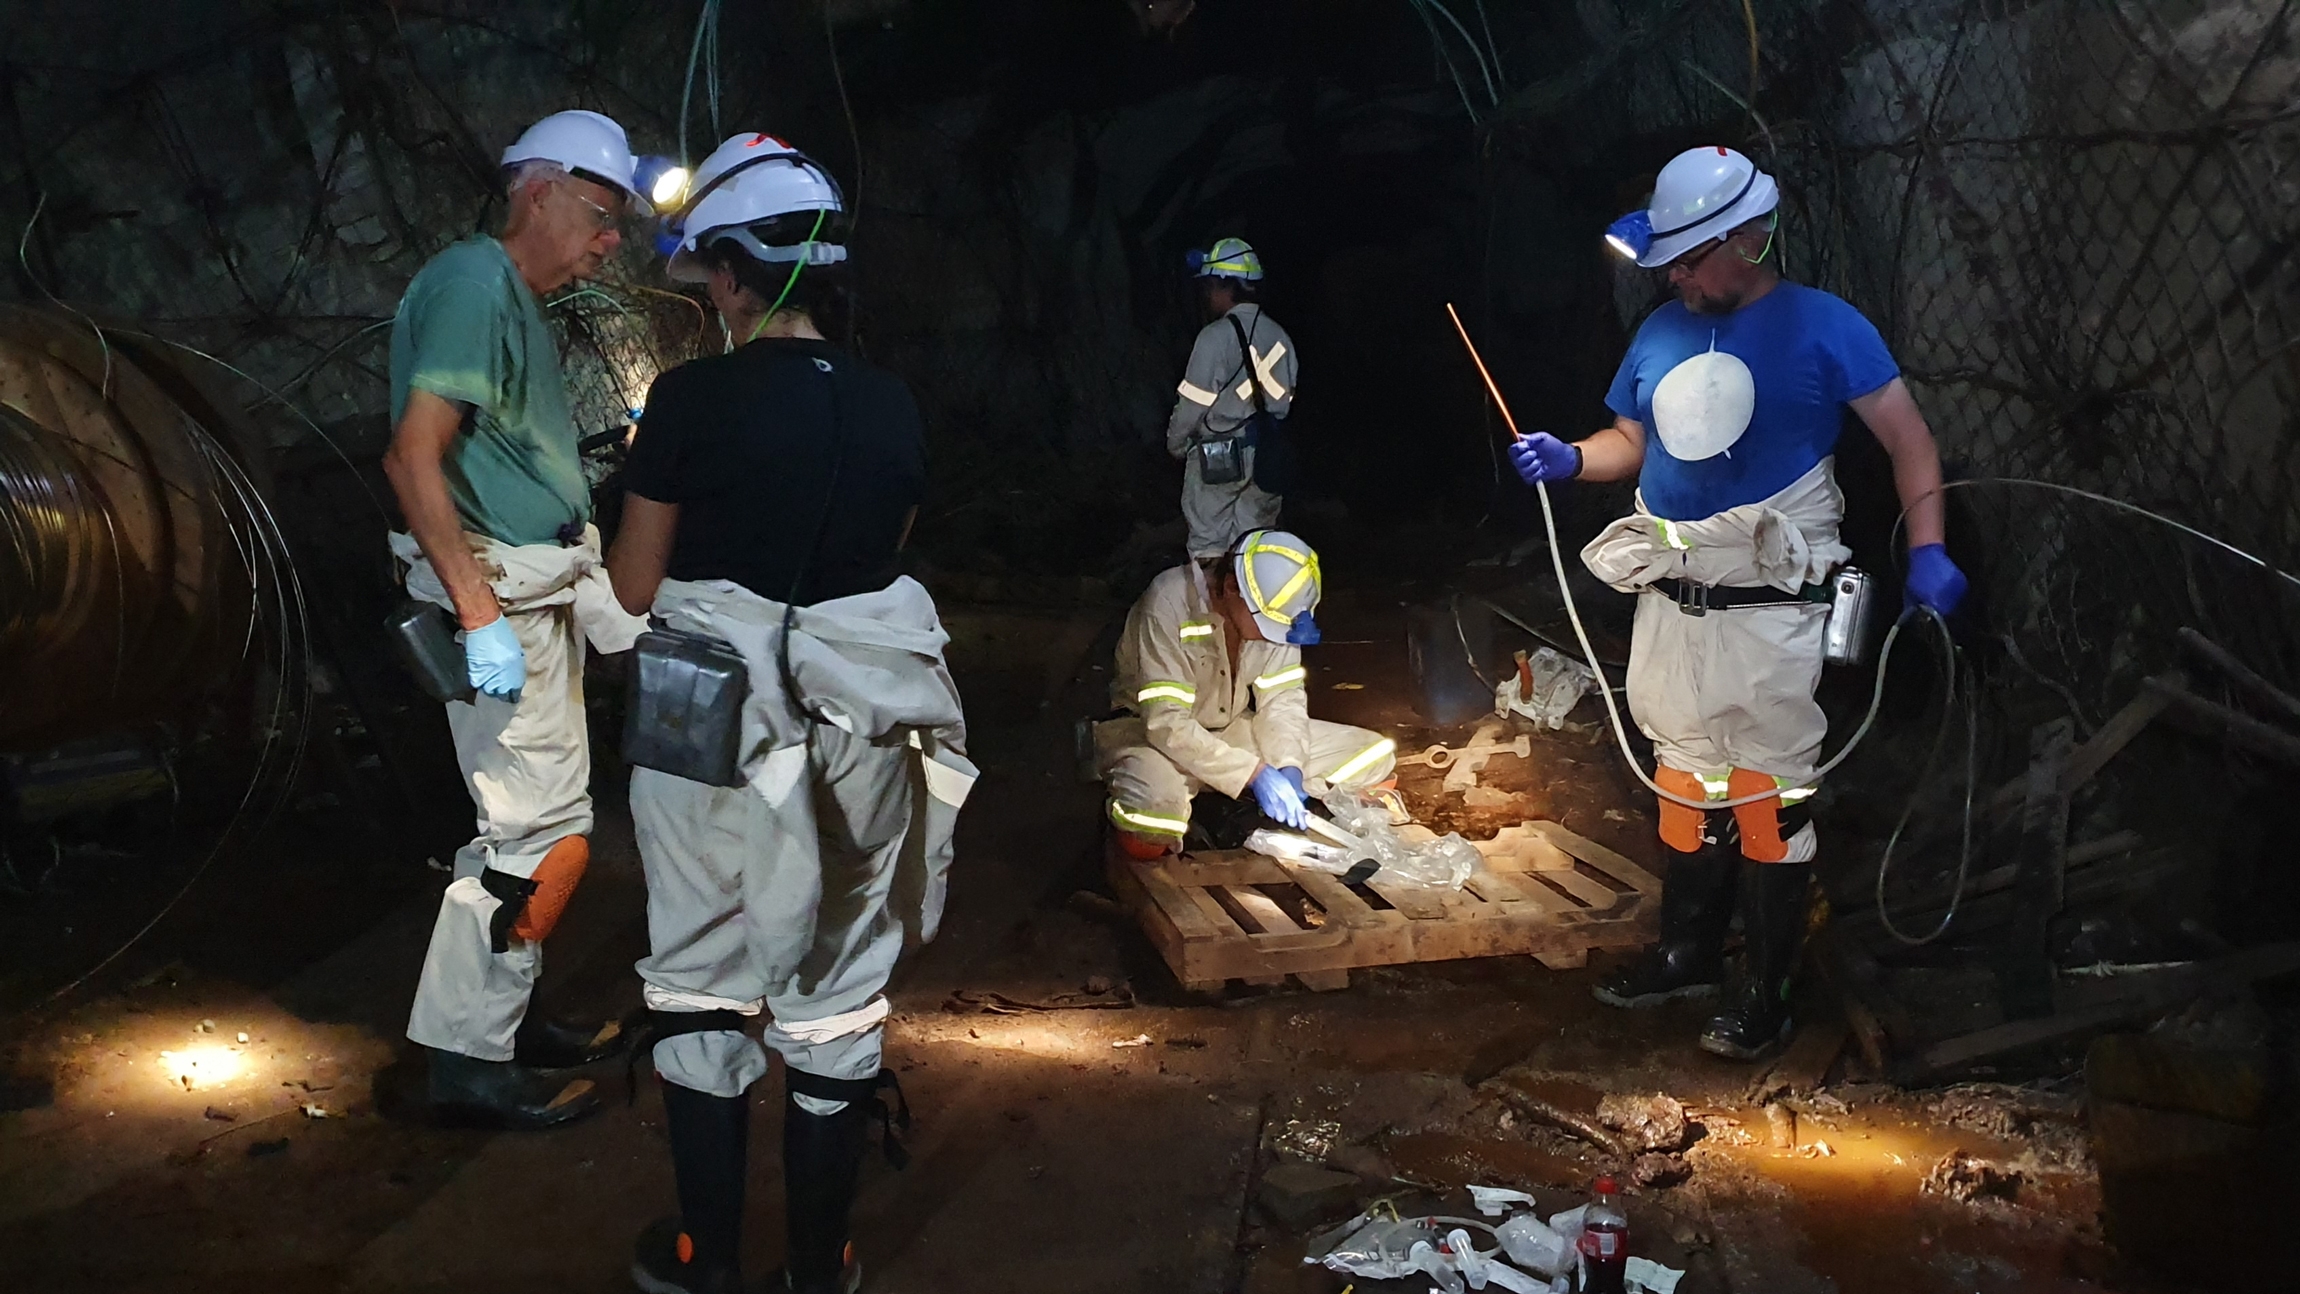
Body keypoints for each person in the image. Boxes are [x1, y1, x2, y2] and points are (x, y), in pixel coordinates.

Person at [607, 135, 974, 1294]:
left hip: (709, 721)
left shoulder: (686, 396)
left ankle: (703, 1257)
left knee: (703, 963)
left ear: (728, 275)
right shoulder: (892, 405)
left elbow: (632, 583)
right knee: (836, 969)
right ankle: (820, 1266)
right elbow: (881, 557)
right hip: (861, 714)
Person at [1512, 145, 1969, 1061]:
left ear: (1750, 239)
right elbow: (1629, 440)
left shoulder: (1825, 327)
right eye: (1668, 262)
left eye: (1689, 259)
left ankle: (1768, 987)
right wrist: (1572, 457)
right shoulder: (1660, 333)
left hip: (1773, 609)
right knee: (1682, 781)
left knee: (1767, 795)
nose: (1675, 277)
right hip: (1671, 603)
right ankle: (1684, 949)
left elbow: (1908, 439)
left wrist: (1930, 551)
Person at [381, 109, 655, 1128]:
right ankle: (466, 1062)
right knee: (524, 840)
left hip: (535, 597)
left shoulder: (505, 299)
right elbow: (414, 455)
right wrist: (477, 612)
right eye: (597, 212)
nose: (608, 239)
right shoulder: (470, 284)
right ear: (537, 192)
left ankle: (500, 1020)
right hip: (500, 601)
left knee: (551, 822)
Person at [1097, 530, 1396, 856]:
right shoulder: (1168, 600)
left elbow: (1282, 699)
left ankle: (1234, 795)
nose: (1272, 638)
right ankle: (1157, 801)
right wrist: (1252, 774)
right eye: (1267, 626)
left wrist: (1289, 765)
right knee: (1153, 819)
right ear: (1230, 589)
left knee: (1374, 756)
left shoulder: (1278, 613)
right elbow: (1165, 722)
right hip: (1149, 736)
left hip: (1229, 731)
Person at [1166, 238, 1298, 559]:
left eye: (1210, 286)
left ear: (1226, 286)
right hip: (1267, 456)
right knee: (1254, 548)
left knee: (1208, 546)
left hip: (1219, 457)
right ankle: (1250, 605)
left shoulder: (1214, 337)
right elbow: (1283, 405)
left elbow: (1193, 404)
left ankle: (1211, 608)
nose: (1208, 295)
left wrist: (1176, 442)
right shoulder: (1280, 336)